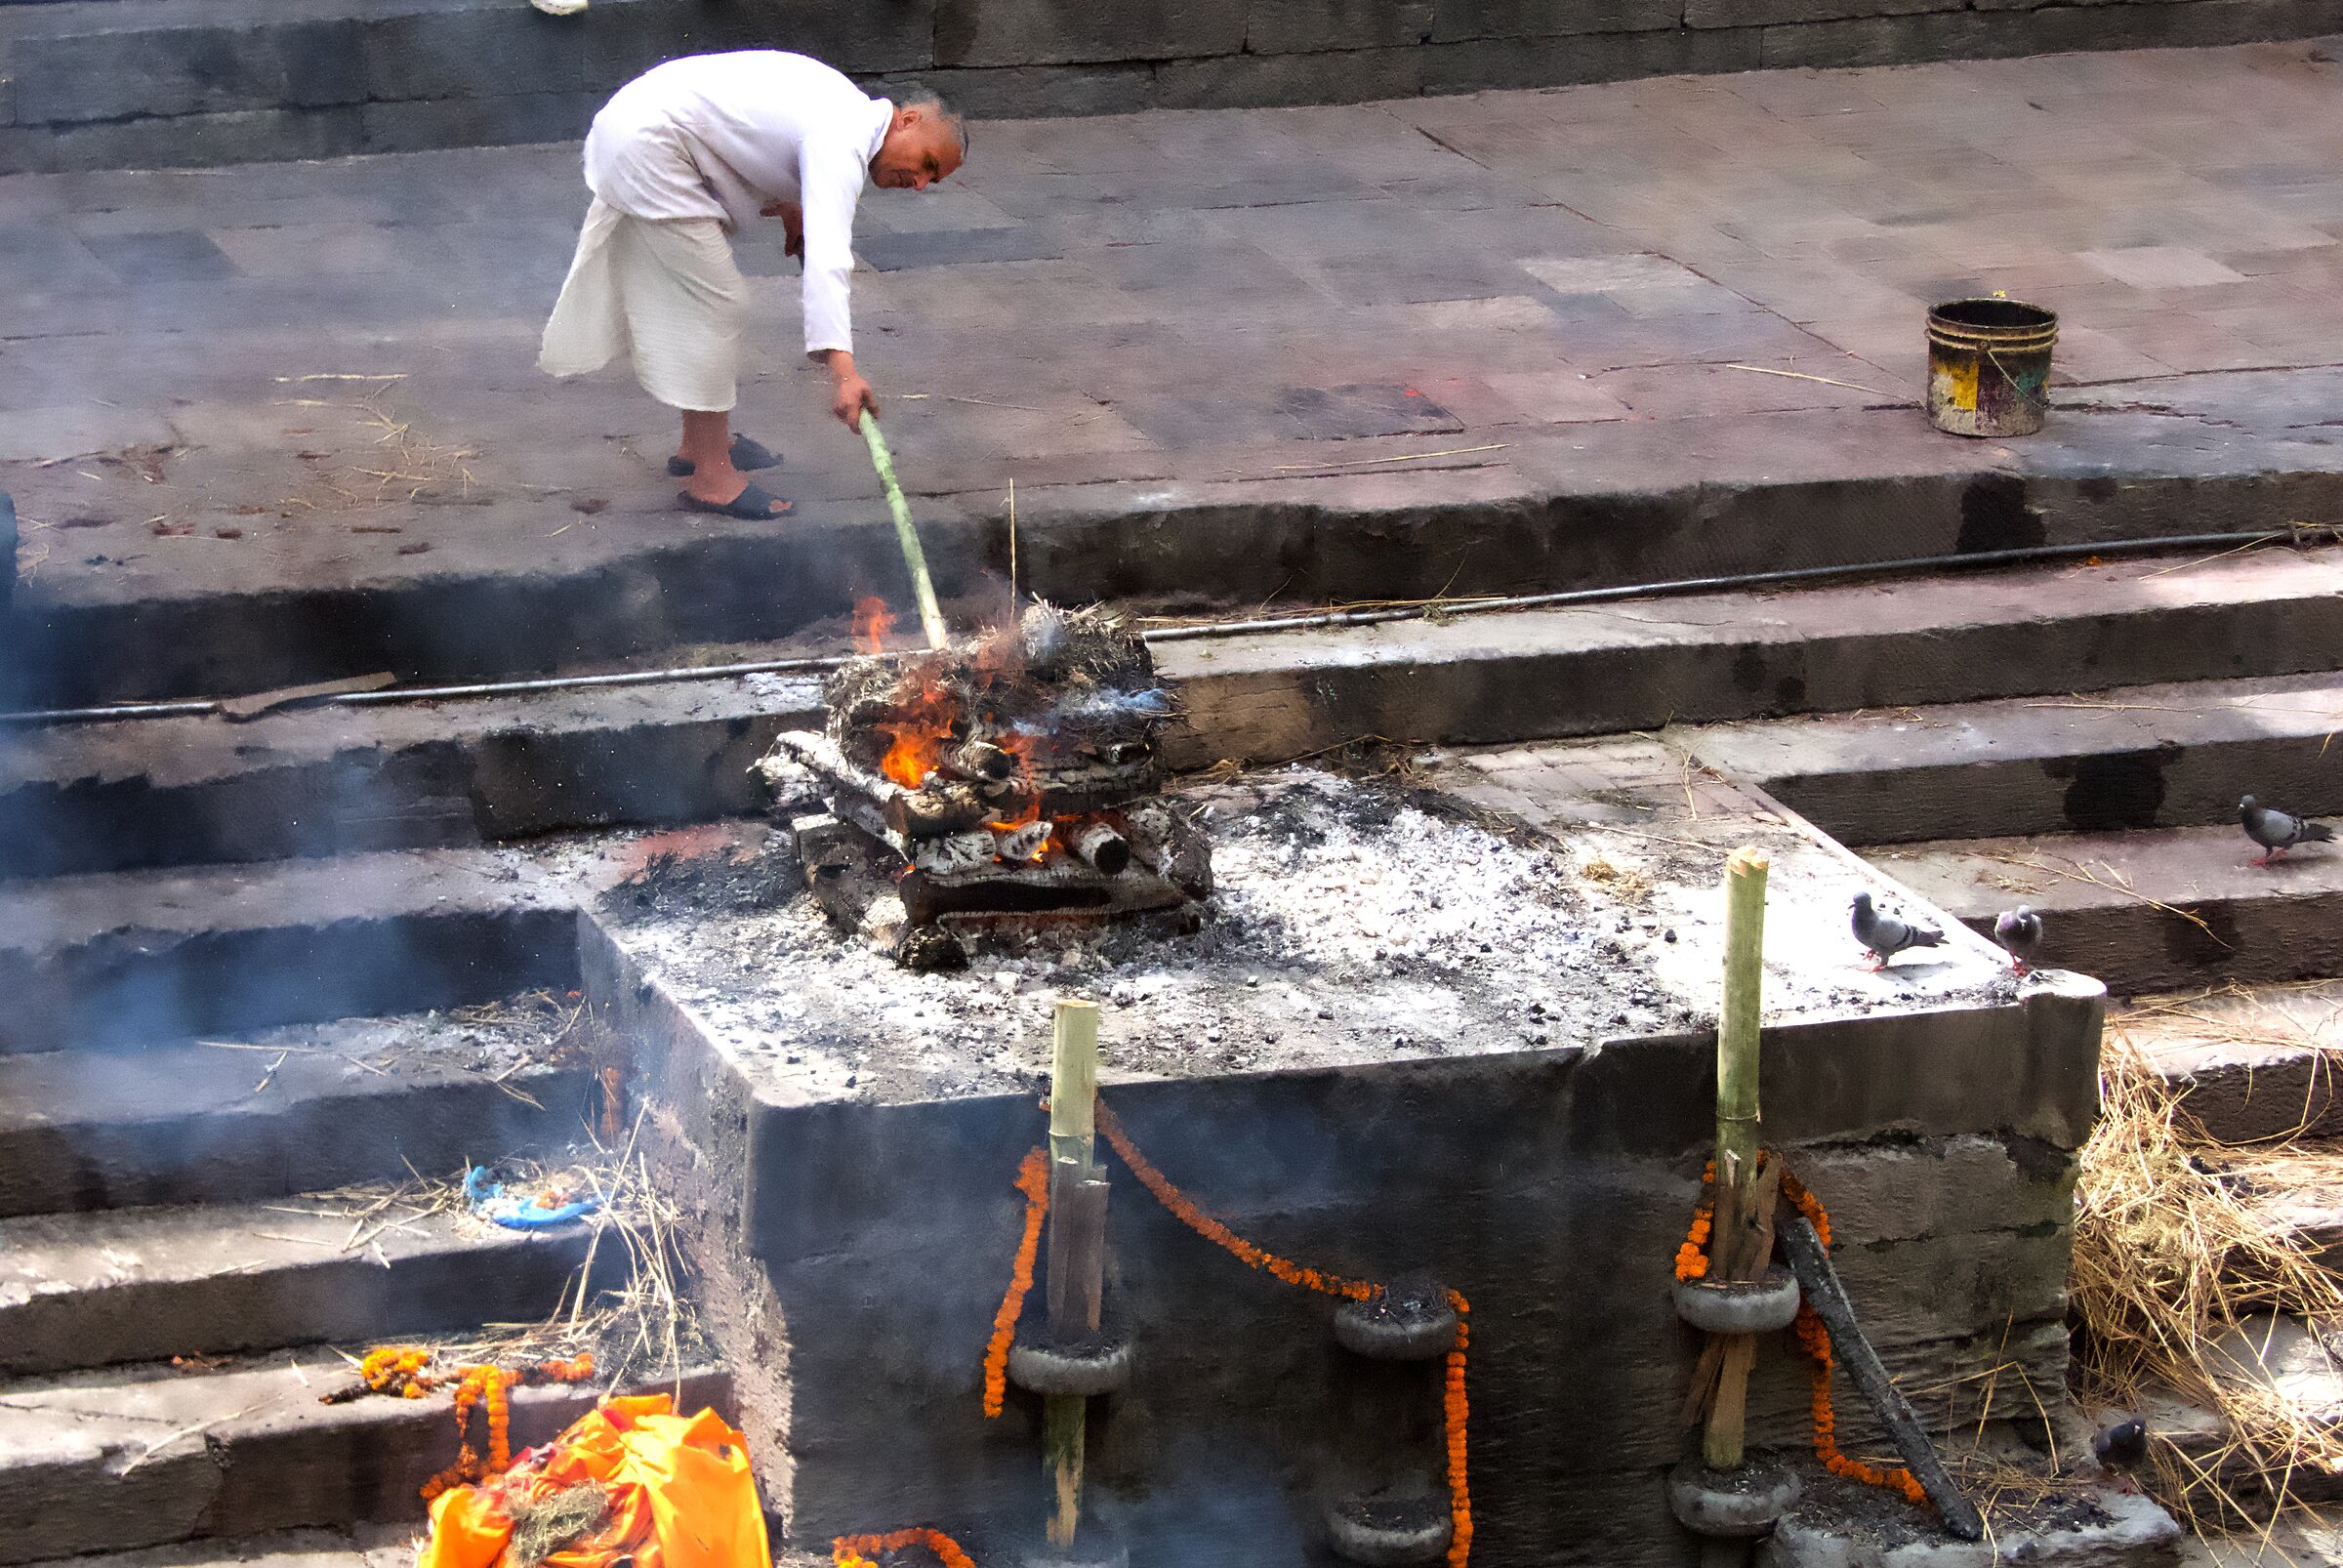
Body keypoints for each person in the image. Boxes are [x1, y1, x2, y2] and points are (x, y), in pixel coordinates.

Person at [539, 51, 966, 519]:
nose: (921, 183)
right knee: (715, 304)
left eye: (933, 179)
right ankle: (712, 479)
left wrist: (792, 204)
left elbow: (762, 132)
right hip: (649, 147)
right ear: (906, 120)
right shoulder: (843, 138)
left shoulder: (846, 107)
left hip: (639, 127)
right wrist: (844, 373)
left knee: (702, 299)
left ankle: (697, 447)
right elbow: (829, 259)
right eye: (926, 163)